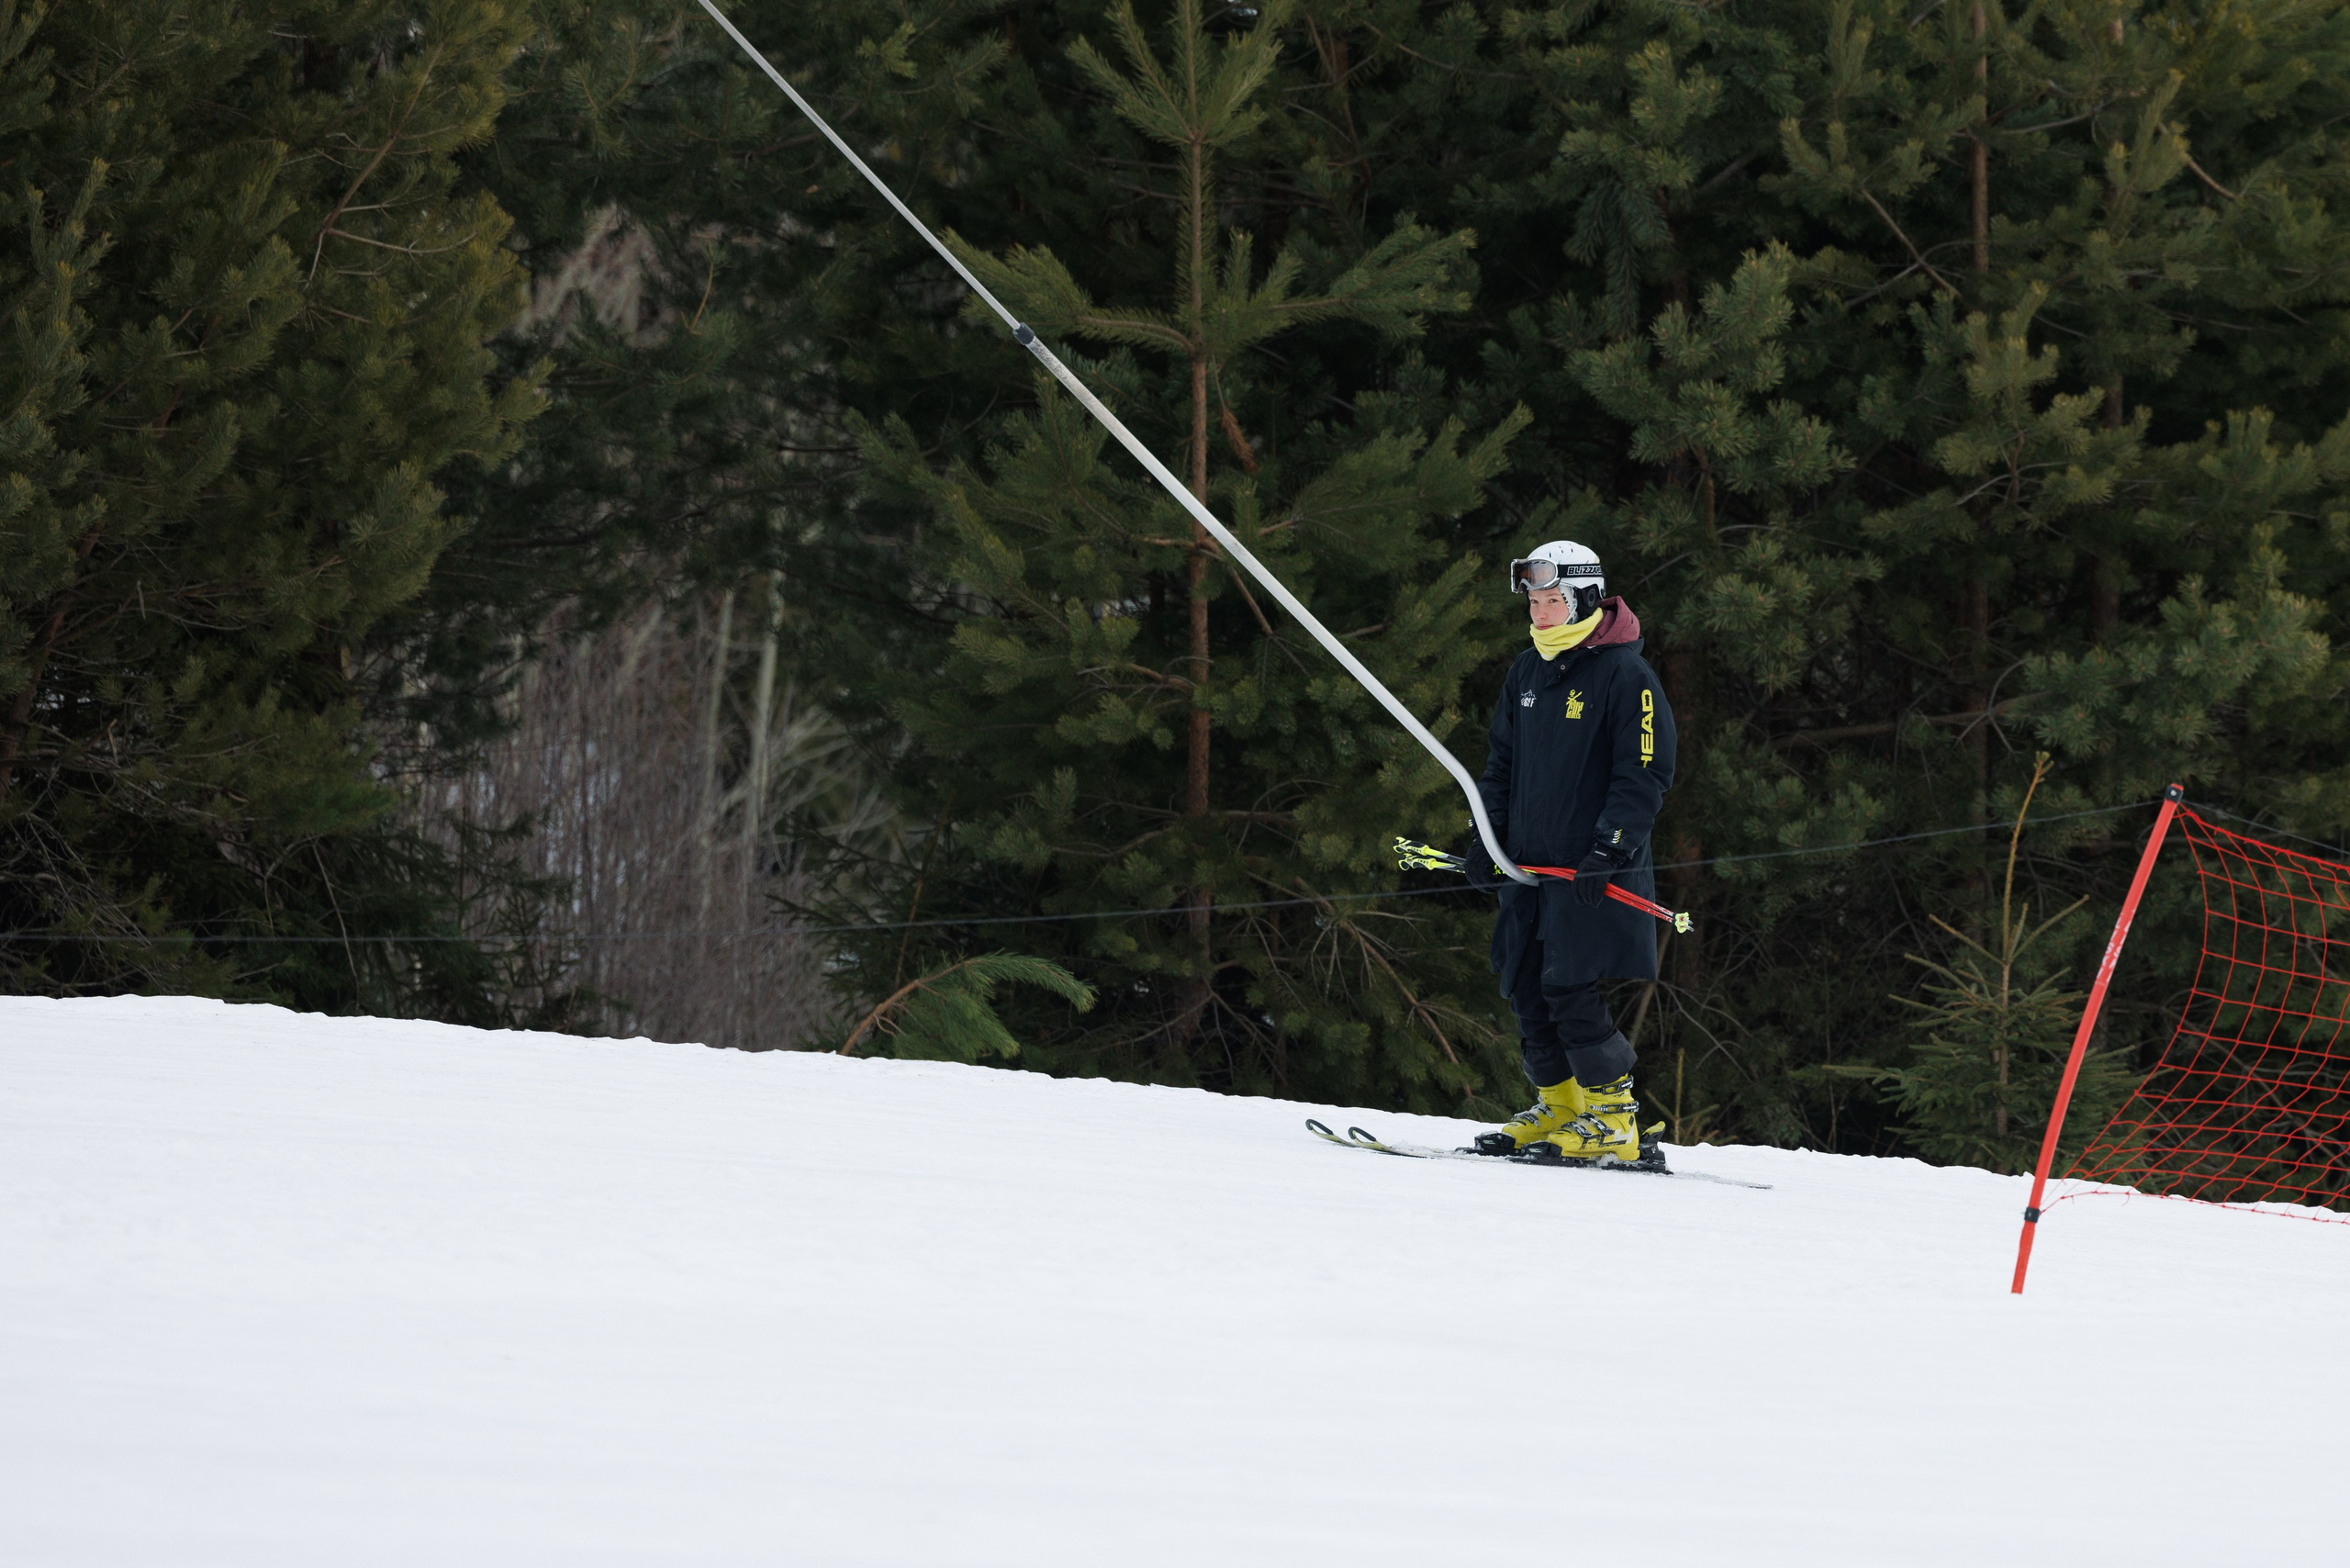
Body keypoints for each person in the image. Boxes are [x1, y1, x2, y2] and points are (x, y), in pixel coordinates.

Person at [1467, 540, 1678, 1165]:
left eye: (1553, 599)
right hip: (1527, 867)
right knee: (1526, 982)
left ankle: (1613, 1118)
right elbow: (1501, 764)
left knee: (1570, 986)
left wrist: (1611, 845)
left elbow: (1644, 769)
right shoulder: (1527, 671)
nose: (1540, 611)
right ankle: (1560, 1106)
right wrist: (1488, 838)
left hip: (1590, 866)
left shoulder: (1625, 674)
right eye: (1534, 599)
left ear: (1585, 599)